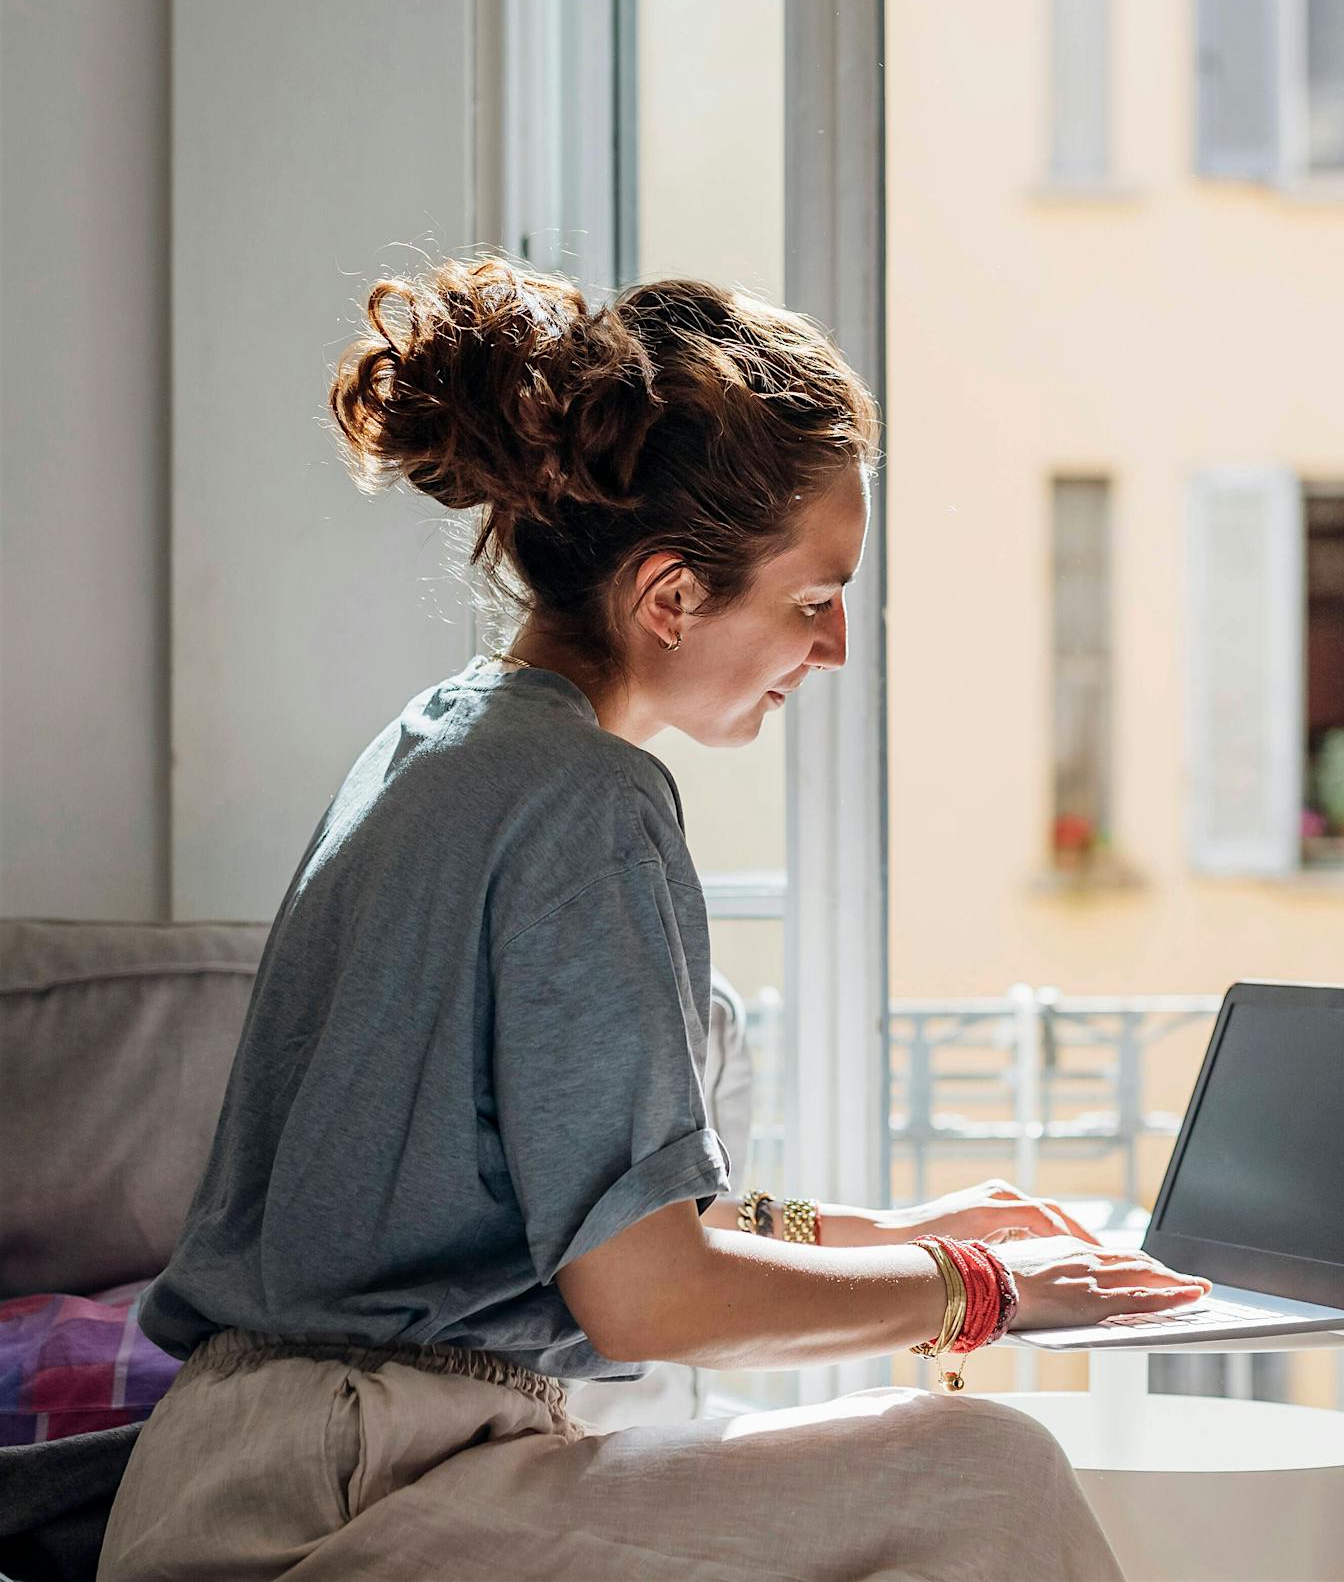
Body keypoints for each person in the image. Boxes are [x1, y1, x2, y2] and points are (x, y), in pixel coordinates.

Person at [99, 257, 1210, 1581]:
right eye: (814, 599)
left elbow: (628, 1223)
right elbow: (650, 1296)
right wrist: (987, 1294)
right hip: (342, 1494)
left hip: (261, 1471)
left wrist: (909, 1233)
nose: (834, 647)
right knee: (984, 1477)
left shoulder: (449, 744)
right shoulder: (587, 803)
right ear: (672, 595)